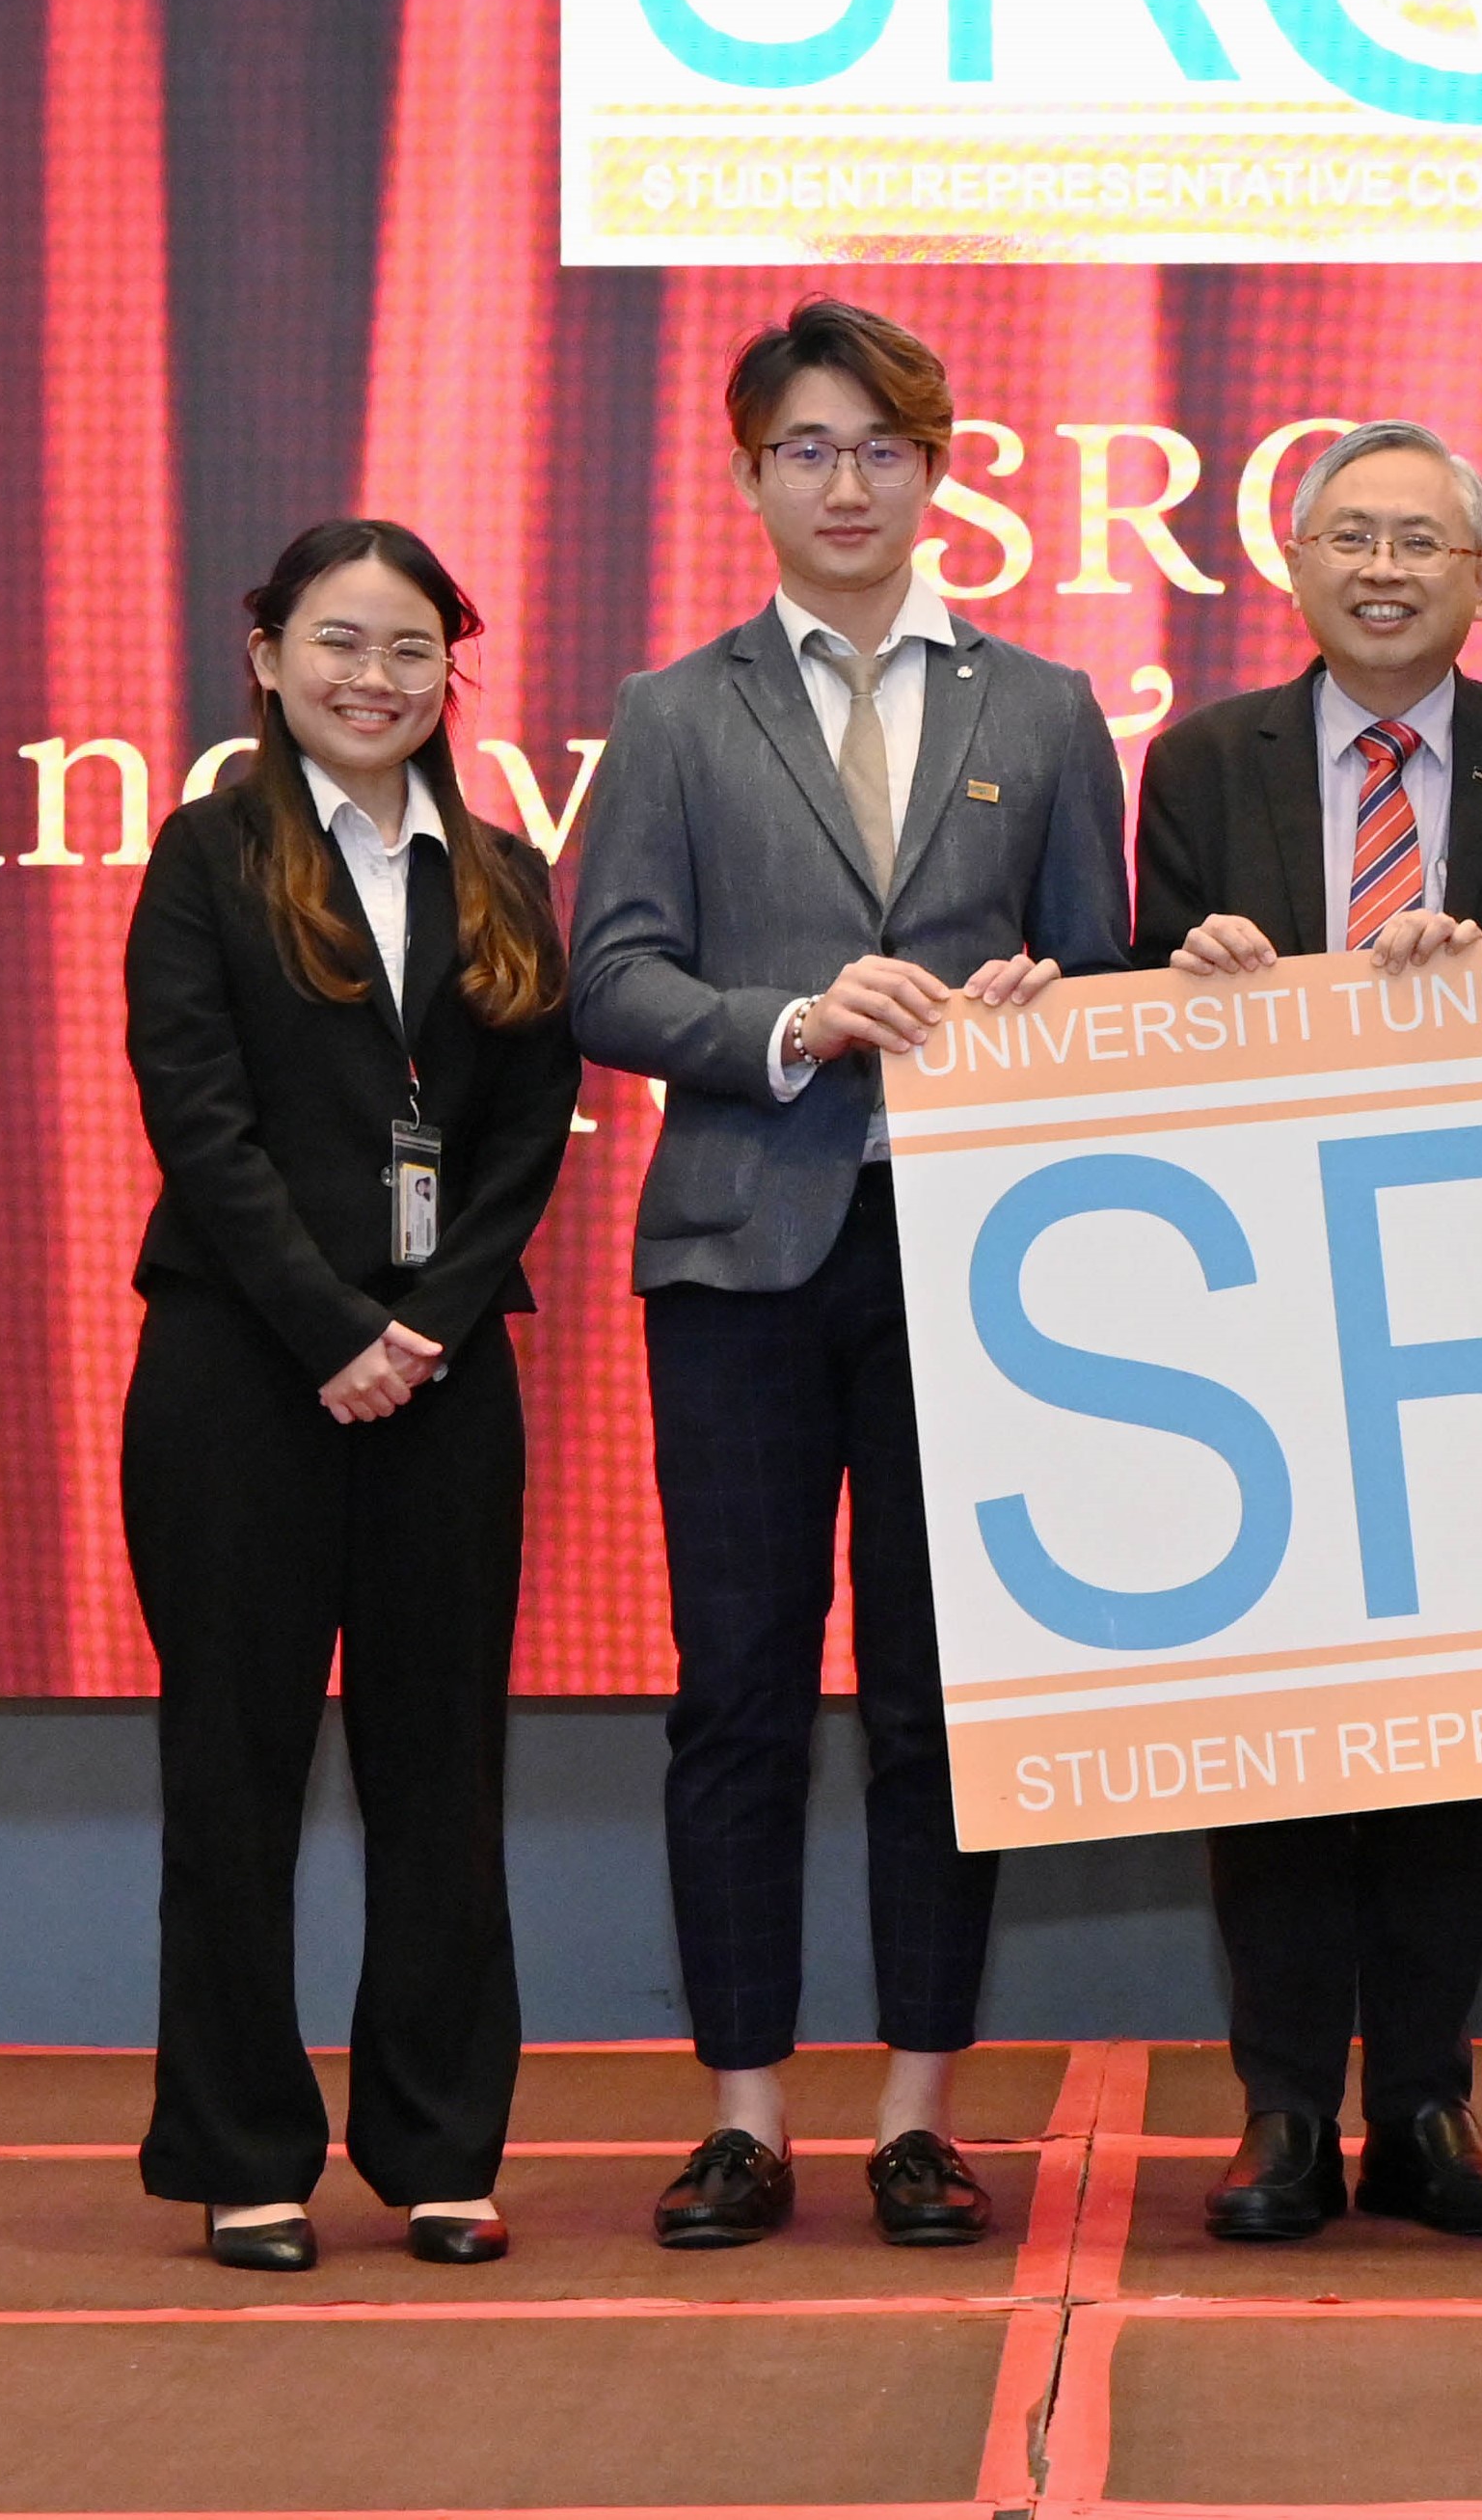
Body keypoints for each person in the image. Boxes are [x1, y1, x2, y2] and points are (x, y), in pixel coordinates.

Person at [570, 297, 1130, 2252]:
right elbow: (608, 974)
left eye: (880, 449)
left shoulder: (1044, 709)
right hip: (738, 1256)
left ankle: (914, 2109)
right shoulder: (670, 709)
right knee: (734, 1691)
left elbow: (1102, 976)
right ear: (747, 476)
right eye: (805, 449)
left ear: (937, 471)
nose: (844, 482)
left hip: (973, 1267)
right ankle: (740, 2115)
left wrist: (1038, 1006)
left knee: (936, 1702)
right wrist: (795, 1016)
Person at [1134, 419, 1482, 2244]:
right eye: (1349, 535)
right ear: (1295, 566)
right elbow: (1127, 1028)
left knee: (1444, 1734)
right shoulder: (1200, 765)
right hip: (1262, 1308)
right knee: (1275, 1727)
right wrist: (1187, 982)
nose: (1385, 567)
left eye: (1424, 539)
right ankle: (1280, 2112)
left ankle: (1425, 2105)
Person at [122, 518, 581, 2273]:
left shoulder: (504, 866)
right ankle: (243, 2151)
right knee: (233, 1769)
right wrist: (330, 1330)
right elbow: (202, 1122)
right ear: (264, 654)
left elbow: (525, 1135)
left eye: (407, 650)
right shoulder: (202, 854)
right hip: (239, 1372)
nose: (371, 679)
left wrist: (430, 1328)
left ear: (446, 675)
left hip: (448, 1382)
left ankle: (441, 2149)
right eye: (337, 642)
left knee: (443, 1768)